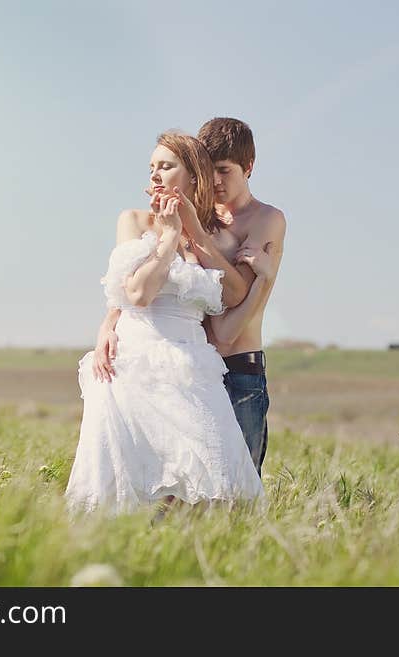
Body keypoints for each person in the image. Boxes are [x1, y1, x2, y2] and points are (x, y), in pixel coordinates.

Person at [64, 132, 264, 515]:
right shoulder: (134, 220)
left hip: (194, 369)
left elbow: (235, 294)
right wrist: (170, 236)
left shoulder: (216, 236)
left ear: (193, 176)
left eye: (166, 166)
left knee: (213, 483)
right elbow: (137, 294)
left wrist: (193, 229)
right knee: (130, 483)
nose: (155, 174)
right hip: (134, 363)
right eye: (152, 167)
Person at [92, 118, 286, 476]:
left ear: (249, 167)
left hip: (237, 362)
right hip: (189, 366)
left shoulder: (263, 220)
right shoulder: (194, 219)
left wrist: (266, 280)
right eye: (209, 171)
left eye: (224, 171)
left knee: (235, 489)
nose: (215, 181)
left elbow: (230, 315)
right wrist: (109, 322)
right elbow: (130, 286)